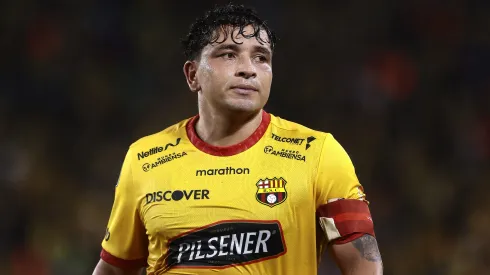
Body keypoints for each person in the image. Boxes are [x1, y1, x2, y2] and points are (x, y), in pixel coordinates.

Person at [92, 3, 383, 275]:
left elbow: (364, 264)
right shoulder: (145, 158)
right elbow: (115, 268)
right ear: (193, 75)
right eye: (229, 54)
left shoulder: (317, 154)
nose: (248, 68)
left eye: (261, 57)